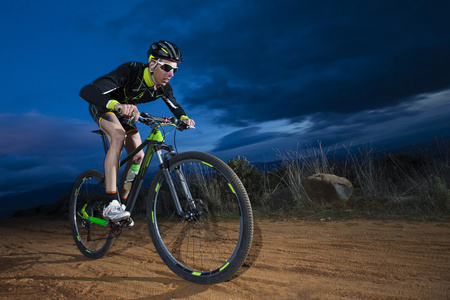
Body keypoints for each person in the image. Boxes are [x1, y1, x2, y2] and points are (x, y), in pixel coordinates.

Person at [79, 40, 195, 224]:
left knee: (138, 157)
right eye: (166, 67)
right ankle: (110, 202)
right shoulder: (130, 71)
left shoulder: (163, 87)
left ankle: (122, 206)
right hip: (104, 105)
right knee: (118, 136)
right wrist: (115, 104)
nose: (171, 74)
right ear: (152, 63)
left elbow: (174, 105)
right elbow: (87, 91)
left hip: (125, 112)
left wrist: (183, 119)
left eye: (175, 70)